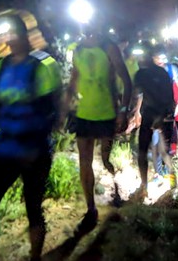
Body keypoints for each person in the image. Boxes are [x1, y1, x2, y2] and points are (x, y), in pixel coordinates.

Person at [0, 10, 62, 261]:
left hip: (35, 151)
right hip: (4, 149)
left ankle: (35, 257)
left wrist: (35, 145)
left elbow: (50, 110)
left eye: (8, 32)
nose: (5, 38)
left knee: (33, 207)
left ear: (20, 35)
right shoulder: (0, 67)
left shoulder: (44, 65)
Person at [60, 20, 132, 231]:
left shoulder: (109, 48)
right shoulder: (78, 50)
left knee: (105, 158)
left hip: (107, 113)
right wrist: (64, 110)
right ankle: (91, 209)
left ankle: (116, 187)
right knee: (85, 161)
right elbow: (74, 80)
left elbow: (126, 80)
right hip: (84, 114)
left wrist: (123, 111)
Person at [127, 45, 178, 199]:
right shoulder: (159, 73)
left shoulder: (141, 74)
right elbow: (141, 95)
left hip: (158, 113)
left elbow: (137, 93)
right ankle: (166, 183)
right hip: (160, 113)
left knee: (153, 150)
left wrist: (158, 118)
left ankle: (149, 186)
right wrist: (136, 112)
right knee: (160, 150)